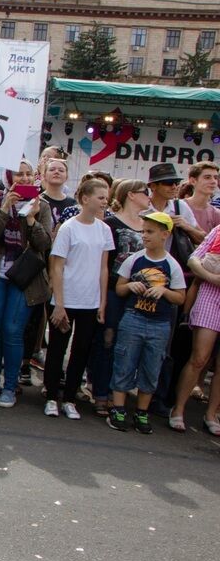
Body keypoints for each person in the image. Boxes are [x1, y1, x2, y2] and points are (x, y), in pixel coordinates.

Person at [0, 160, 53, 408]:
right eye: (20, 173)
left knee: (12, 330)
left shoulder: (42, 205)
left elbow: (44, 244)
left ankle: (10, 386)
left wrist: (31, 220)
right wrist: (5, 208)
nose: (26, 178)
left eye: (30, 174)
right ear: (9, 176)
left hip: (24, 278)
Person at [107, 212, 186, 434]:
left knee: (151, 367)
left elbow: (181, 297)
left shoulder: (172, 265)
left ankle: (142, 412)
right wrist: (130, 286)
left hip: (159, 323)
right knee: (124, 362)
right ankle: (119, 408)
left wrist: (164, 291)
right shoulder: (134, 259)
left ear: (165, 235)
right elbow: (120, 287)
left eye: (150, 232)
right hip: (133, 317)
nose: (145, 236)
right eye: (143, 231)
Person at [43, 177, 114, 419]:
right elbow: (57, 267)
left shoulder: (105, 230)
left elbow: (104, 268)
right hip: (66, 299)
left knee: (81, 351)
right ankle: (52, 396)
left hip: (90, 301)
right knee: (57, 349)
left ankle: (70, 399)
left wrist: (102, 302)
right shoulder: (68, 228)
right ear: (85, 199)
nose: (105, 201)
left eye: (106, 197)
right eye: (100, 197)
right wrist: (59, 303)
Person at [88, 179, 150, 415]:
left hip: (140, 295)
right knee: (107, 340)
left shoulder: (148, 223)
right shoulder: (111, 224)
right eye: (145, 192)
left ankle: (119, 392)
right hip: (114, 291)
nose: (149, 196)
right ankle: (101, 392)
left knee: (128, 346)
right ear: (131, 195)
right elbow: (104, 263)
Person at [169, 223, 220, 435]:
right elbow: (193, 259)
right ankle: (178, 408)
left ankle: (211, 414)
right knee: (199, 357)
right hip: (211, 294)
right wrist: (212, 278)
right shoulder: (219, 230)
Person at [181, 161, 220, 234]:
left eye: (215, 178)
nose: (213, 181)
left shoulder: (216, 214)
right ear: (193, 181)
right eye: (207, 177)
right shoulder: (177, 206)